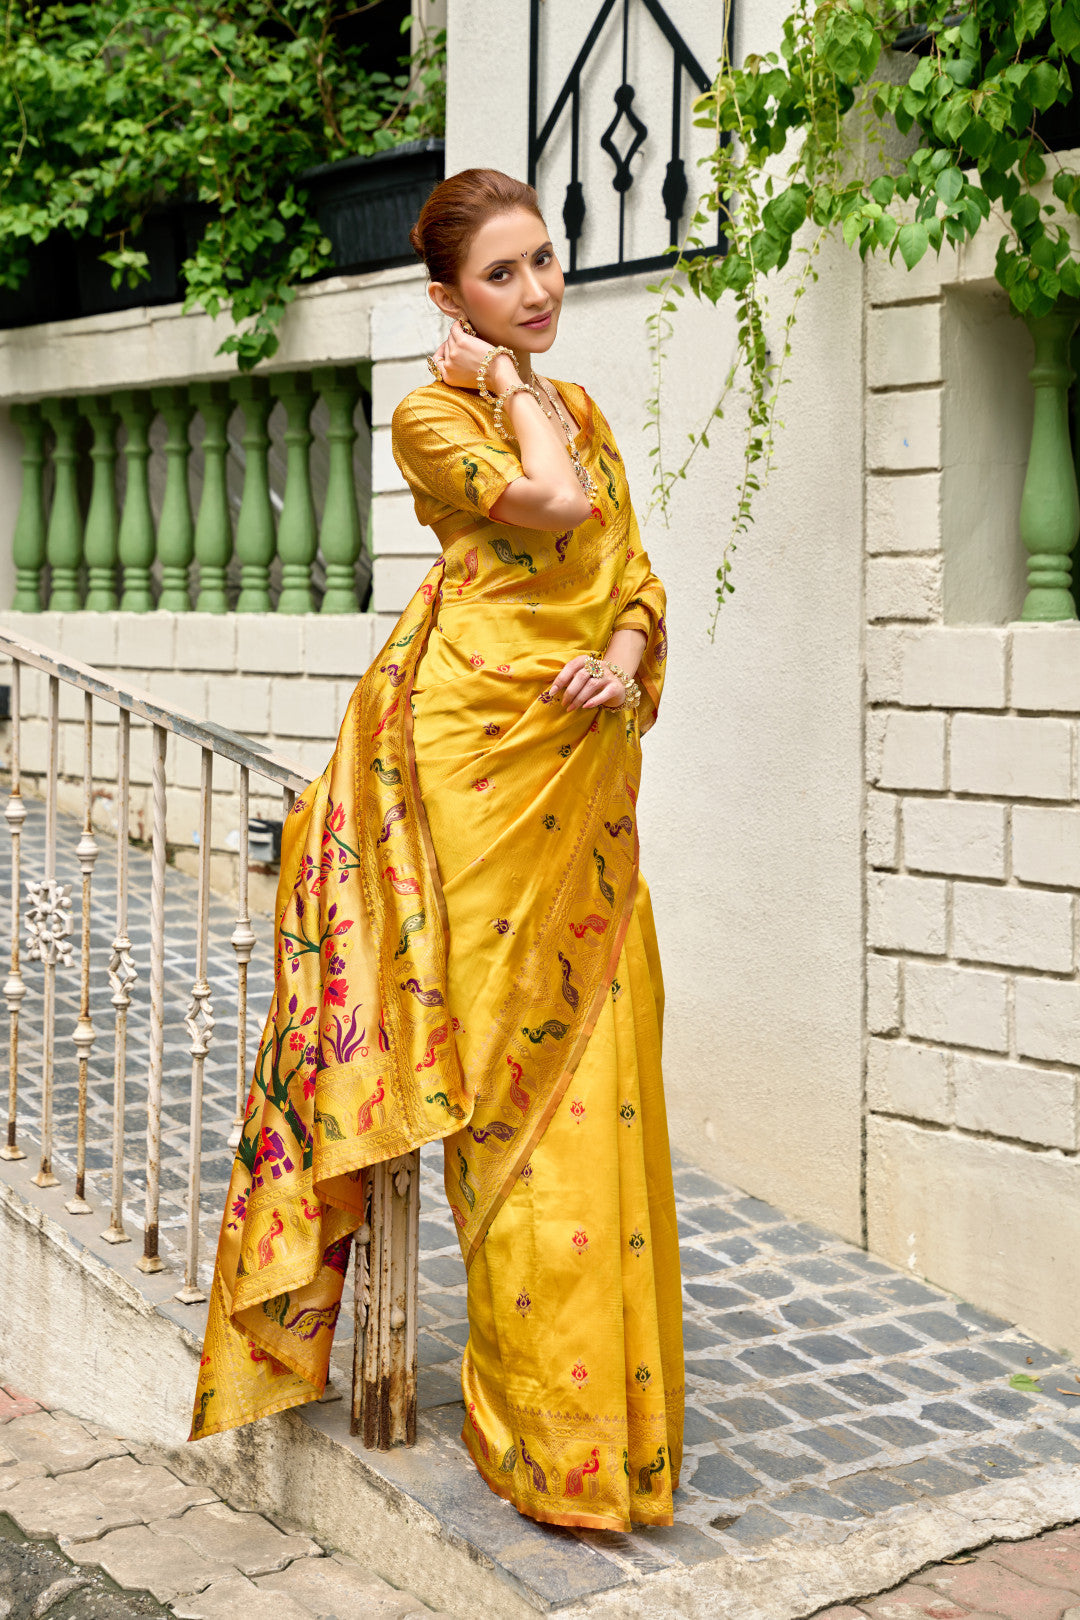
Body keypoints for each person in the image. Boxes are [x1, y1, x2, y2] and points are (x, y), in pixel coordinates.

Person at [190, 167, 682, 1534]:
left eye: (547, 262)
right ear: (450, 302)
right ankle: (541, 1446)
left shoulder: (575, 412)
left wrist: (620, 659)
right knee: (516, 1111)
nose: (540, 291)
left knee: (602, 1084)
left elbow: (632, 572)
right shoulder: (430, 415)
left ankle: (611, 1440)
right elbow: (554, 510)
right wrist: (512, 382)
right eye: (507, 275)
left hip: (577, 772)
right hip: (470, 767)